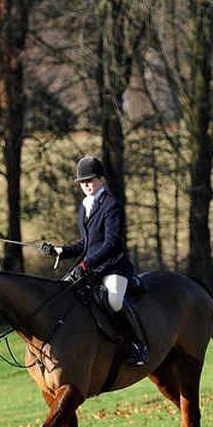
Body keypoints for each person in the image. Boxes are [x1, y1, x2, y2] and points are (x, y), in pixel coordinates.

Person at [40, 156, 147, 366]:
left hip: (114, 266)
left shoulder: (111, 205)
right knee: (65, 295)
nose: (86, 185)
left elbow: (111, 244)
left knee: (114, 300)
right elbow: (86, 243)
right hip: (91, 268)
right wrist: (58, 250)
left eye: (90, 180)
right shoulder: (85, 206)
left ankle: (137, 345)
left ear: (101, 180)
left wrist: (85, 265)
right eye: (82, 182)